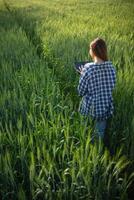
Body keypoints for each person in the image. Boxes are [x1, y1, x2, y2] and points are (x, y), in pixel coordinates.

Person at [77, 38, 116, 142]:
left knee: (86, 134)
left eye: (90, 48)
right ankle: (98, 155)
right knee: (99, 135)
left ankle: (87, 153)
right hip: (104, 108)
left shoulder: (87, 68)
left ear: (93, 51)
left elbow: (80, 91)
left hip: (89, 109)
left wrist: (82, 75)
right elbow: (111, 86)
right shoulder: (111, 67)